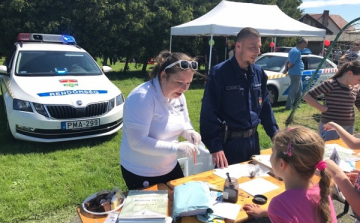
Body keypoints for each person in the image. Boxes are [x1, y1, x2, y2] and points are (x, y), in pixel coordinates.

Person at [120, 50, 201, 190]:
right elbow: (137, 142)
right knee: (154, 211)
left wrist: (190, 132)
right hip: (142, 172)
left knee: (181, 206)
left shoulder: (178, 96)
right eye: (180, 82)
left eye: (188, 83)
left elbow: (184, 122)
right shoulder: (142, 97)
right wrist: (176, 148)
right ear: (163, 76)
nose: (184, 89)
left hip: (169, 166)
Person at [200, 27, 278, 168]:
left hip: (253, 141)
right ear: (238, 46)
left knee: (254, 183)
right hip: (229, 145)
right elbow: (208, 113)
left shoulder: (259, 73)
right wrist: (215, 147)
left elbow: (265, 107)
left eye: (259, 47)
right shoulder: (220, 73)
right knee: (230, 188)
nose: (258, 52)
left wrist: (275, 135)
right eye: (253, 47)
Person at [243, 126, 337, 223]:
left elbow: (290, 208)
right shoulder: (322, 191)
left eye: (272, 152)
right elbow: (301, 211)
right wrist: (266, 211)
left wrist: (274, 210)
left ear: (281, 164)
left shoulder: (279, 204)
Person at [303, 60, 360, 141]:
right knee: (328, 150)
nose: (359, 83)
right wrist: (321, 108)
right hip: (330, 127)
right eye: (359, 80)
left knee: (345, 151)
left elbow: (358, 103)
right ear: (350, 73)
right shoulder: (330, 84)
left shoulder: (356, 87)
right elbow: (307, 96)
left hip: (348, 127)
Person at [282, 37, 308, 110]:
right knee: (293, 90)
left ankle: (296, 104)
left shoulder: (296, 51)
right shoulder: (295, 51)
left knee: (299, 89)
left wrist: (286, 69)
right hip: (295, 73)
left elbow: (288, 61)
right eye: (306, 44)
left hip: (298, 73)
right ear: (302, 43)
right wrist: (286, 69)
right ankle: (288, 106)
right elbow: (290, 63)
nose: (306, 46)